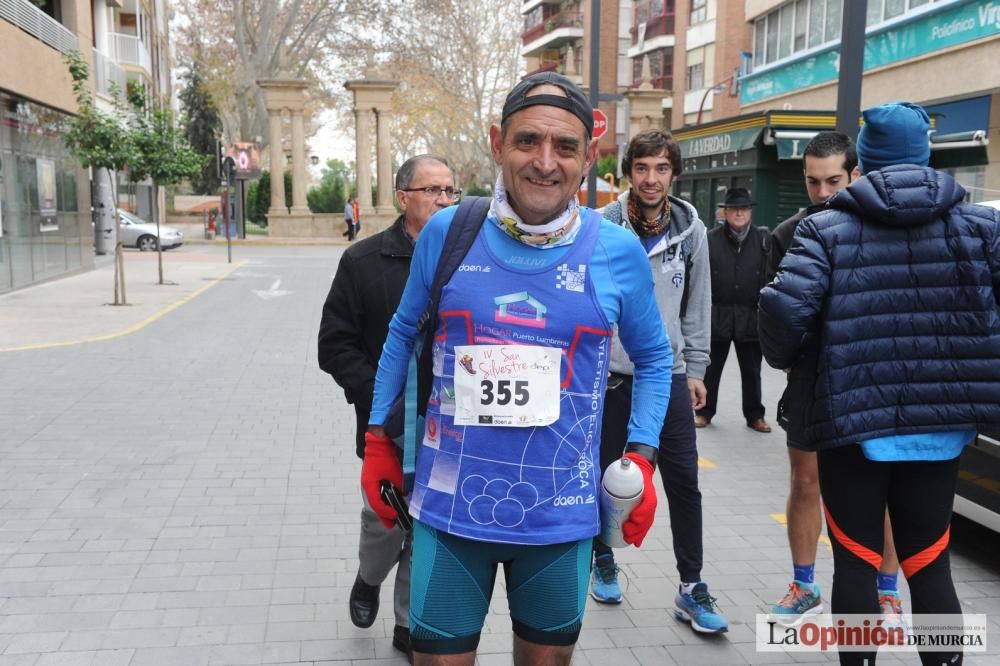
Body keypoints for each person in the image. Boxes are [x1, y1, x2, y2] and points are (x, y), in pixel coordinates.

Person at [362, 72, 673, 665]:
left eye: (566, 147)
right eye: (528, 141)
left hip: (559, 520)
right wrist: (378, 438)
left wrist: (642, 455)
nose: (545, 162)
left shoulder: (615, 250)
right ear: (497, 142)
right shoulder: (449, 232)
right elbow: (402, 332)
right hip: (449, 512)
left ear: (590, 158)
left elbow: (657, 358)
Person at [759, 102, 1000, 666]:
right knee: (929, 561)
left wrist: (793, 358)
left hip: (851, 424)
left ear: (863, 163)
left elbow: (782, 319)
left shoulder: (826, 229)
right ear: (925, 156)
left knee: (856, 564)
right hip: (942, 429)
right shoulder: (982, 227)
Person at [318, 155, 458, 662]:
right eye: (432, 190)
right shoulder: (363, 261)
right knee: (385, 521)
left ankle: (407, 622)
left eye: (450, 191)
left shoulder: (467, 260)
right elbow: (334, 346)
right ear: (404, 198)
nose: (444, 200)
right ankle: (367, 578)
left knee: (427, 525)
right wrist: (385, 395)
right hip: (387, 428)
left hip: (450, 430)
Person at [767, 132, 905, 628]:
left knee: (884, 488)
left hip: (871, 383)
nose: (822, 192)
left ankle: (886, 592)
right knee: (806, 482)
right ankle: (804, 585)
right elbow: (777, 315)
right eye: (812, 181)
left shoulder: (882, 229)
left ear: (856, 176)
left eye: (833, 180)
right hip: (810, 382)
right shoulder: (786, 235)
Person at [592, 129, 727, 633]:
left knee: (683, 482)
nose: (652, 179)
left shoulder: (691, 232)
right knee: (607, 476)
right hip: (608, 377)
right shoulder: (602, 227)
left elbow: (698, 305)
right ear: (629, 173)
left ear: (674, 173)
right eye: (643, 168)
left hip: (666, 375)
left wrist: (696, 369)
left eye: (662, 168)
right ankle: (603, 556)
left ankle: (691, 586)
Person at [695, 188, 771, 432]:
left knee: (752, 371)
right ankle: (704, 411)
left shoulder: (763, 240)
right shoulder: (710, 239)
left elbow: (770, 276)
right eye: (734, 209)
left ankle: (755, 416)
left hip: (750, 316)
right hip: (718, 314)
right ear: (725, 212)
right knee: (711, 369)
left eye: (744, 208)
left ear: (750, 212)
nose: (739, 213)